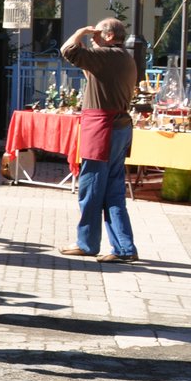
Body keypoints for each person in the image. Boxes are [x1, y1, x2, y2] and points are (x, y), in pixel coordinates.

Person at [59, 17, 139, 262]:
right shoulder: (124, 57)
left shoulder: (109, 55)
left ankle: (88, 243)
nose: (92, 36)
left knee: (91, 189)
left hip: (103, 129)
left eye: (97, 33)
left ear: (108, 36)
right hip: (118, 128)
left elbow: (68, 50)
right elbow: (91, 72)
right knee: (113, 191)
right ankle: (124, 247)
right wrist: (94, 44)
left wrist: (80, 31)